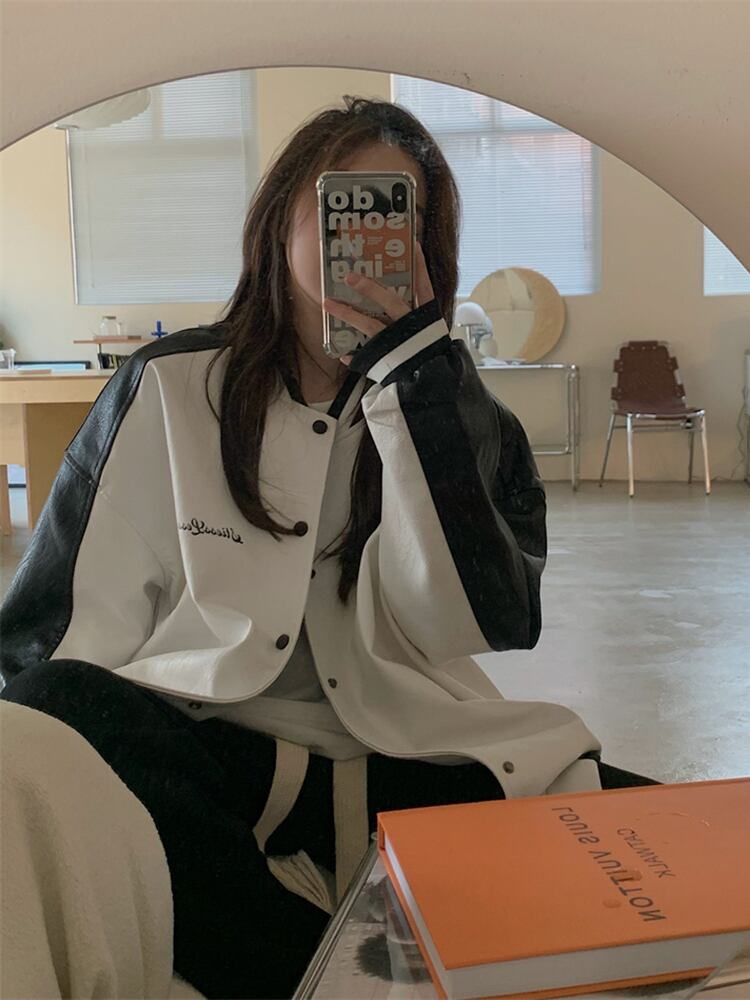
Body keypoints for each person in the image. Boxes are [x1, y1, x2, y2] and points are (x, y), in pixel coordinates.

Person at [0, 95, 658, 1000]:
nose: (372, 240)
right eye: (346, 207)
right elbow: (48, 644)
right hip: (212, 754)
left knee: (676, 835)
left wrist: (411, 386)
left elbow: (483, 620)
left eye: (403, 219)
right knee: (56, 707)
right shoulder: (170, 388)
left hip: (410, 751)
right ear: (282, 226)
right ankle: (309, 969)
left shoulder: (461, 411)